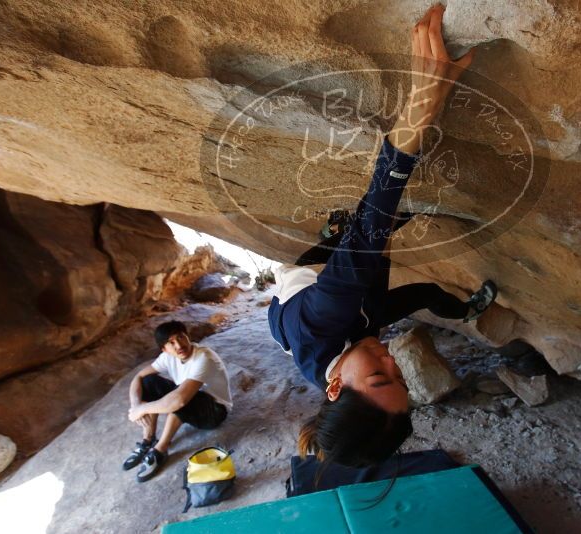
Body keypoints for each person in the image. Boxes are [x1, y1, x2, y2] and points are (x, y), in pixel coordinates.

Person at [268, 4, 498, 468]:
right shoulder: (362, 354)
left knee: (363, 234)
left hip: (304, 297)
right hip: (352, 329)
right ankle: (468, 307)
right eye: (401, 378)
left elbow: (378, 205)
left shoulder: (323, 319)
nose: (393, 360)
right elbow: (371, 267)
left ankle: (332, 236)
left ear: (333, 387)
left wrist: (424, 98)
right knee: (423, 288)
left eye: (380, 376)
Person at [123, 321, 233, 482]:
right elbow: (139, 377)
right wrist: (136, 406)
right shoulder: (167, 357)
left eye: (181, 337)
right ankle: (148, 439)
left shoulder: (204, 357)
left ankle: (160, 449)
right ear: (164, 349)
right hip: (188, 399)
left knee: (182, 396)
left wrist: (143, 409)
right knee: (149, 381)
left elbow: (180, 399)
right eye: (171, 342)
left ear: (188, 337)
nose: (178, 345)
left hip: (214, 411)